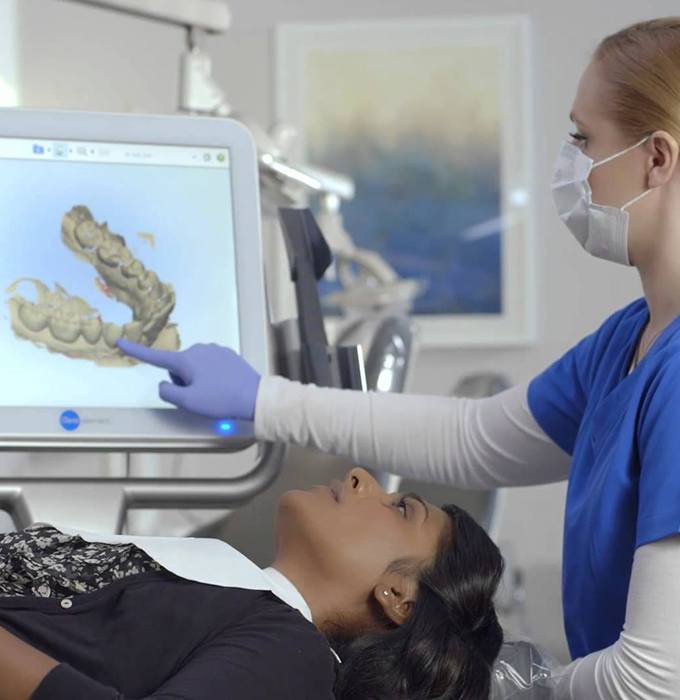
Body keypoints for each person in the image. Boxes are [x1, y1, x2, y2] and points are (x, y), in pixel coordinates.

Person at [117, 16, 680, 700]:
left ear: (657, 159)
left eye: (583, 140)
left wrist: (494, 687)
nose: (572, 164)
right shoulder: (629, 340)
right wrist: (262, 400)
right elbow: (476, 438)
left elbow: (654, 678)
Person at [0, 467, 504, 700]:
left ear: (397, 595)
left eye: (400, 509)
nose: (359, 477)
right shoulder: (233, 597)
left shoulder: (291, 655)